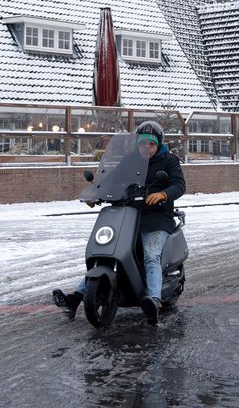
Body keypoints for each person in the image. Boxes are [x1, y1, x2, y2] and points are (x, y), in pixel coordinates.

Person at [52, 120, 187, 324]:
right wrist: (95, 193)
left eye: (151, 144)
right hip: (129, 215)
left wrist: (163, 194)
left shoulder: (169, 161)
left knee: (151, 255)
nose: (146, 148)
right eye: (143, 143)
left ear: (158, 144)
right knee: (109, 254)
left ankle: (154, 300)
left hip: (157, 218)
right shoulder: (130, 160)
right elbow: (112, 180)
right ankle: (74, 299)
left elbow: (179, 184)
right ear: (137, 144)